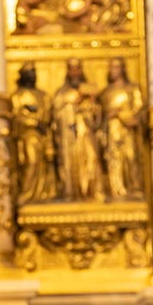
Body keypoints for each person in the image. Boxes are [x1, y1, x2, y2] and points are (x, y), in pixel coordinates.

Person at [52, 59, 106, 202]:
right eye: (72, 69)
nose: (75, 72)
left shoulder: (89, 92)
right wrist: (71, 105)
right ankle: (71, 193)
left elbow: (97, 118)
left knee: (91, 158)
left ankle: (94, 192)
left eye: (77, 69)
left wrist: (92, 103)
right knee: (70, 163)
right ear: (68, 72)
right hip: (69, 136)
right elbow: (56, 117)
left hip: (86, 134)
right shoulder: (61, 94)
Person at [99, 57, 145, 199]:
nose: (113, 71)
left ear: (123, 69)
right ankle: (117, 190)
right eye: (111, 67)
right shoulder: (106, 92)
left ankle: (134, 187)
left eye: (116, 67)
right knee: (114, 160)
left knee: (130, 157)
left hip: (128, 131)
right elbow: (101, 115)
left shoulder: (132, 89)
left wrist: (120, 114)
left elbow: (139, 110)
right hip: (112, 132)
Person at [11, 62, 57, 204]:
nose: (33, 75)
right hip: (28, 136)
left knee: (46, 166)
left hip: (43, 136)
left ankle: (44, 194)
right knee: (31, 162)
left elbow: (49, 115)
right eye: (30, 72)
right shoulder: (17, 96)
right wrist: (34, 122)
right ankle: (27, 193)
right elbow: (16, 118)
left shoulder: (43, 95)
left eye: (34, 72)